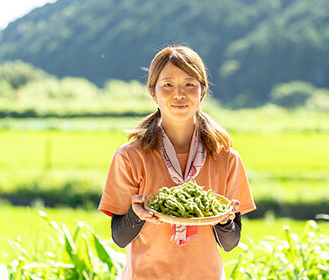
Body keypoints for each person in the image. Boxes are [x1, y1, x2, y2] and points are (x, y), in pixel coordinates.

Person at [98, 45, 256, 280]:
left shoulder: (226, 158)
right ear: (154, 93)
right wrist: (136, 214)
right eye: (168, 85)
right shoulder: (130, 156)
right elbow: (120, 238)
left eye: (189, 84)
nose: (179, 94)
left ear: (202, 91)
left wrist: (224, 219)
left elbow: (230, 242)